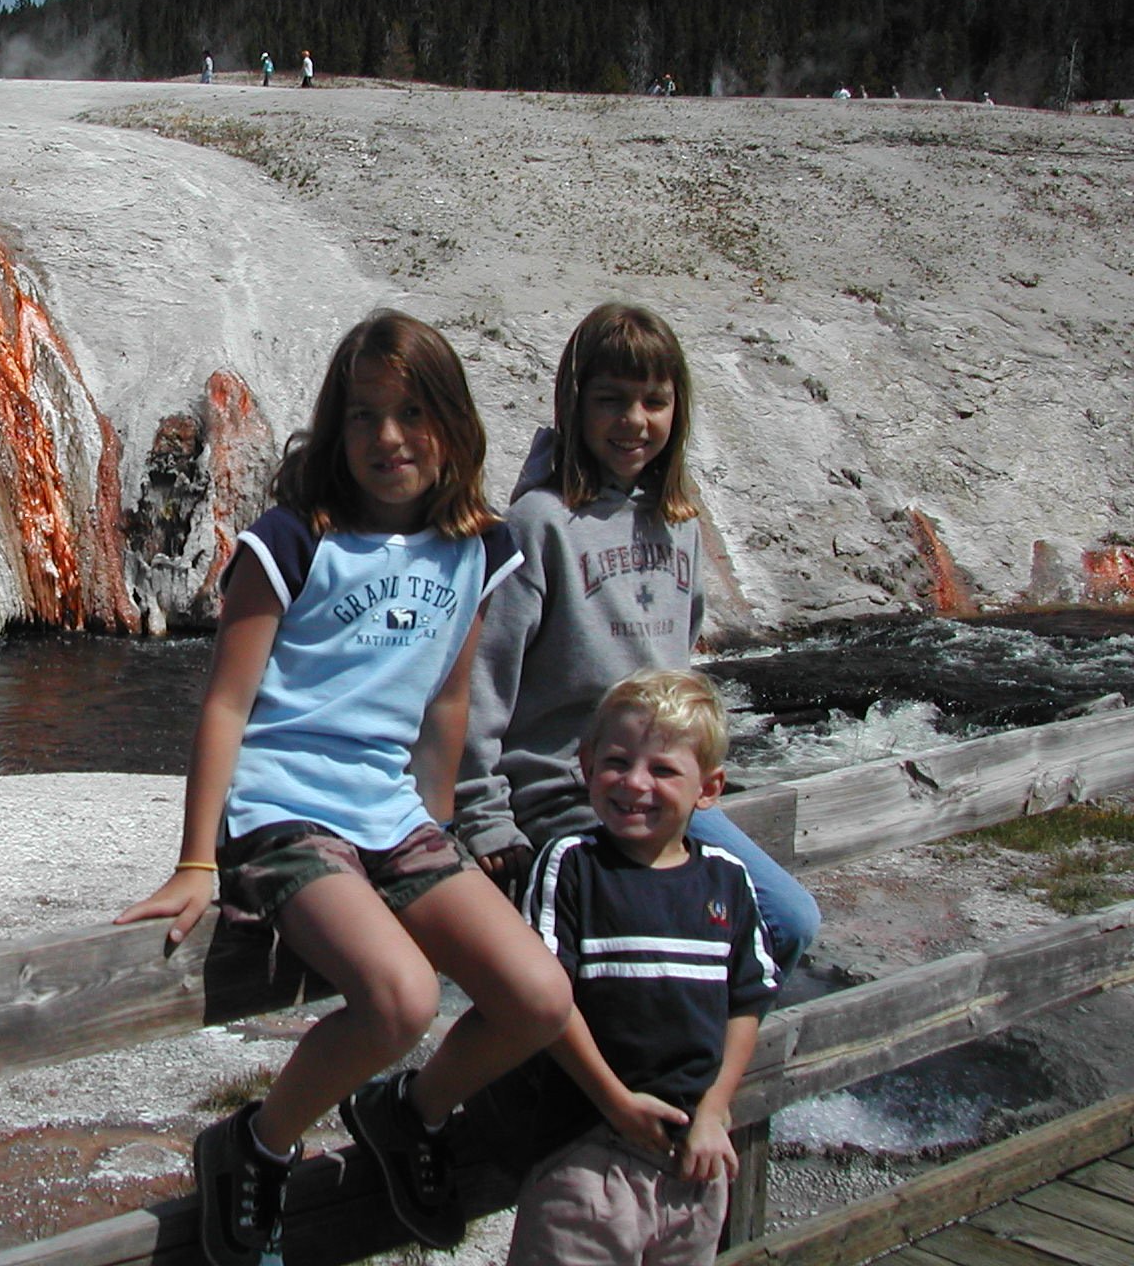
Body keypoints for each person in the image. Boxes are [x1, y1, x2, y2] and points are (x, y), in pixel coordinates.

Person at [119, 310, 573, 1266]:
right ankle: (257, 1142)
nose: (389, 437)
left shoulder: (478, 549)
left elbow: (448, 709)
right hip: (282, 805)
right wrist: (198, 858)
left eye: (412, 412)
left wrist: (440, 839)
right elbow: (226, 709)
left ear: (452, 424)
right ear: (336, 428)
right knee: (401, 998)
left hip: (392, 809)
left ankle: (408, 1111)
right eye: (364, 416)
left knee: (538, 993)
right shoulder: (292, 541)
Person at [454, 303, 819, 973]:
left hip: (666, 796)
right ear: (574, 404)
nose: (635, 421)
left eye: (654, 401)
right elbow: (482, 682)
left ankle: (692, 1076)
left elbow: (680, 669)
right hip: (570, 798)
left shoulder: (676, 520)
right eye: (612, 401)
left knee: (787, 919)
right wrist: (482, 816)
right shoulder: (540, 524)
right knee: (633, 952)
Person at [502, 669, 778, 1266]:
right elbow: (547, 1000)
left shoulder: (727, 879)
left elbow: (748, 1000)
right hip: (586, 1148)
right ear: (585, 763)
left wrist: (716, 1108)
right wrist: (615, 1103)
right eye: (618, 762)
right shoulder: (571, 865)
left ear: (709, 788)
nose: (634, 784)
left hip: (694, 1156)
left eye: (662, 770)